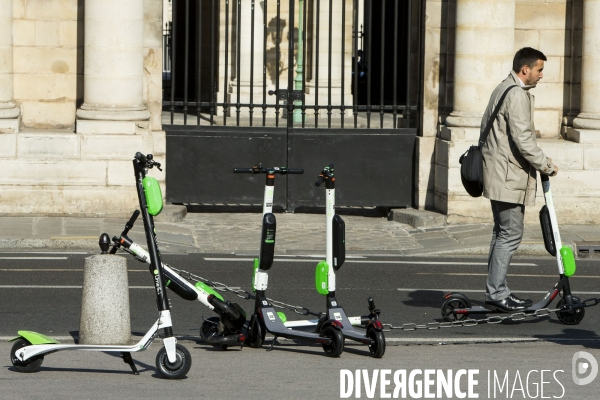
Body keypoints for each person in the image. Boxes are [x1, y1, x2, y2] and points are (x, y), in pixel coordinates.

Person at [481, 47, 559, 312]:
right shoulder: (516, 94)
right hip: (508, 176)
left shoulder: (503, 88)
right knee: (510, 234)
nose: (540, 76)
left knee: (501, 233)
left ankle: (497, 290)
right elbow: (523, 139)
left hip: (501, 173)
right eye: (539, 70)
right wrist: (546, 164)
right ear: (525, 69)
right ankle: (497, 293)